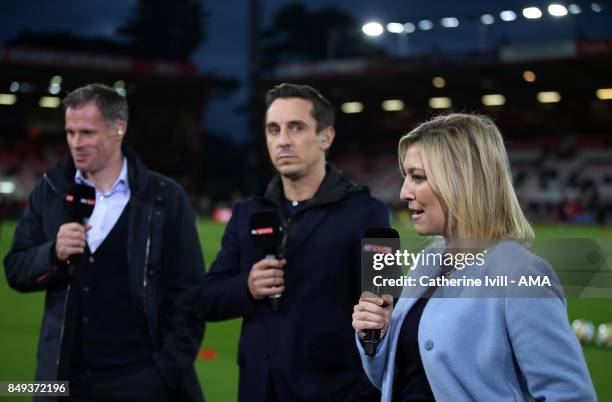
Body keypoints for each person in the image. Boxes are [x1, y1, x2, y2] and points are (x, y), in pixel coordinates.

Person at [352, 113, 596, 402]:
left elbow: (570, 395)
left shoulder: (521, 274)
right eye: (405, 177)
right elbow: (398, 379)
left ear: (460, 181)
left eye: (417, 177)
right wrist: (376, 338)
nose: (404, 192)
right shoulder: (426, 262)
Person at [3, 83, 206, 402]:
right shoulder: (51, 191)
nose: (75, 143)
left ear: (118, 129)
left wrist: (163, 373)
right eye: (70, 133)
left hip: (138, 382)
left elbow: (189, 296)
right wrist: (52, 254)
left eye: (87, 133)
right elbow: (15, 269)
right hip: (62, 384)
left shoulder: (165, 199)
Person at [198, 83, 389, 402]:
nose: (282, 140)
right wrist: (247, 287)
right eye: (273, 130)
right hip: (258, 390)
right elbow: (206, 299)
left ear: (326, 136)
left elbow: (385, 307)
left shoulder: (367, 212)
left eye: (296, 127)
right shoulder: (248, 213)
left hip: (333, 392)